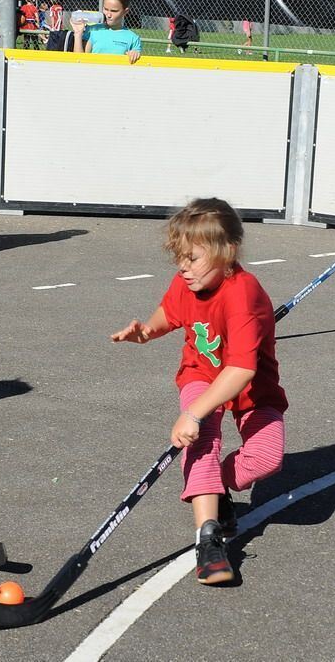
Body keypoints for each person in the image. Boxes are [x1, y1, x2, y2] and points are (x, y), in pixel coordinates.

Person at [111, 198, 287, 585]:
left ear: (228, 252)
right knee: (203, 441)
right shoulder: (187, 282)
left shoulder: (244, 295)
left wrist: (192, 414)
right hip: (201, 376)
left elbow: (241, 369)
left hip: (250, 385)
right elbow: (169, 313)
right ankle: (208, 540)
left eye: (192, 258)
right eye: (179, 258)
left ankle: (211, 485)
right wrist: (145, 332)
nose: (182, 267)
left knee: (266, 460)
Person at [72, 0, 142, 64]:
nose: (108, 15)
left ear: (125, 12)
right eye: (106, 9)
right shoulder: (93, 30)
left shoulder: (133, 38)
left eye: (114, 11)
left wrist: (135, 54)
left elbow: (135, 65)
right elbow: (79, 61)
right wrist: (78, 34)